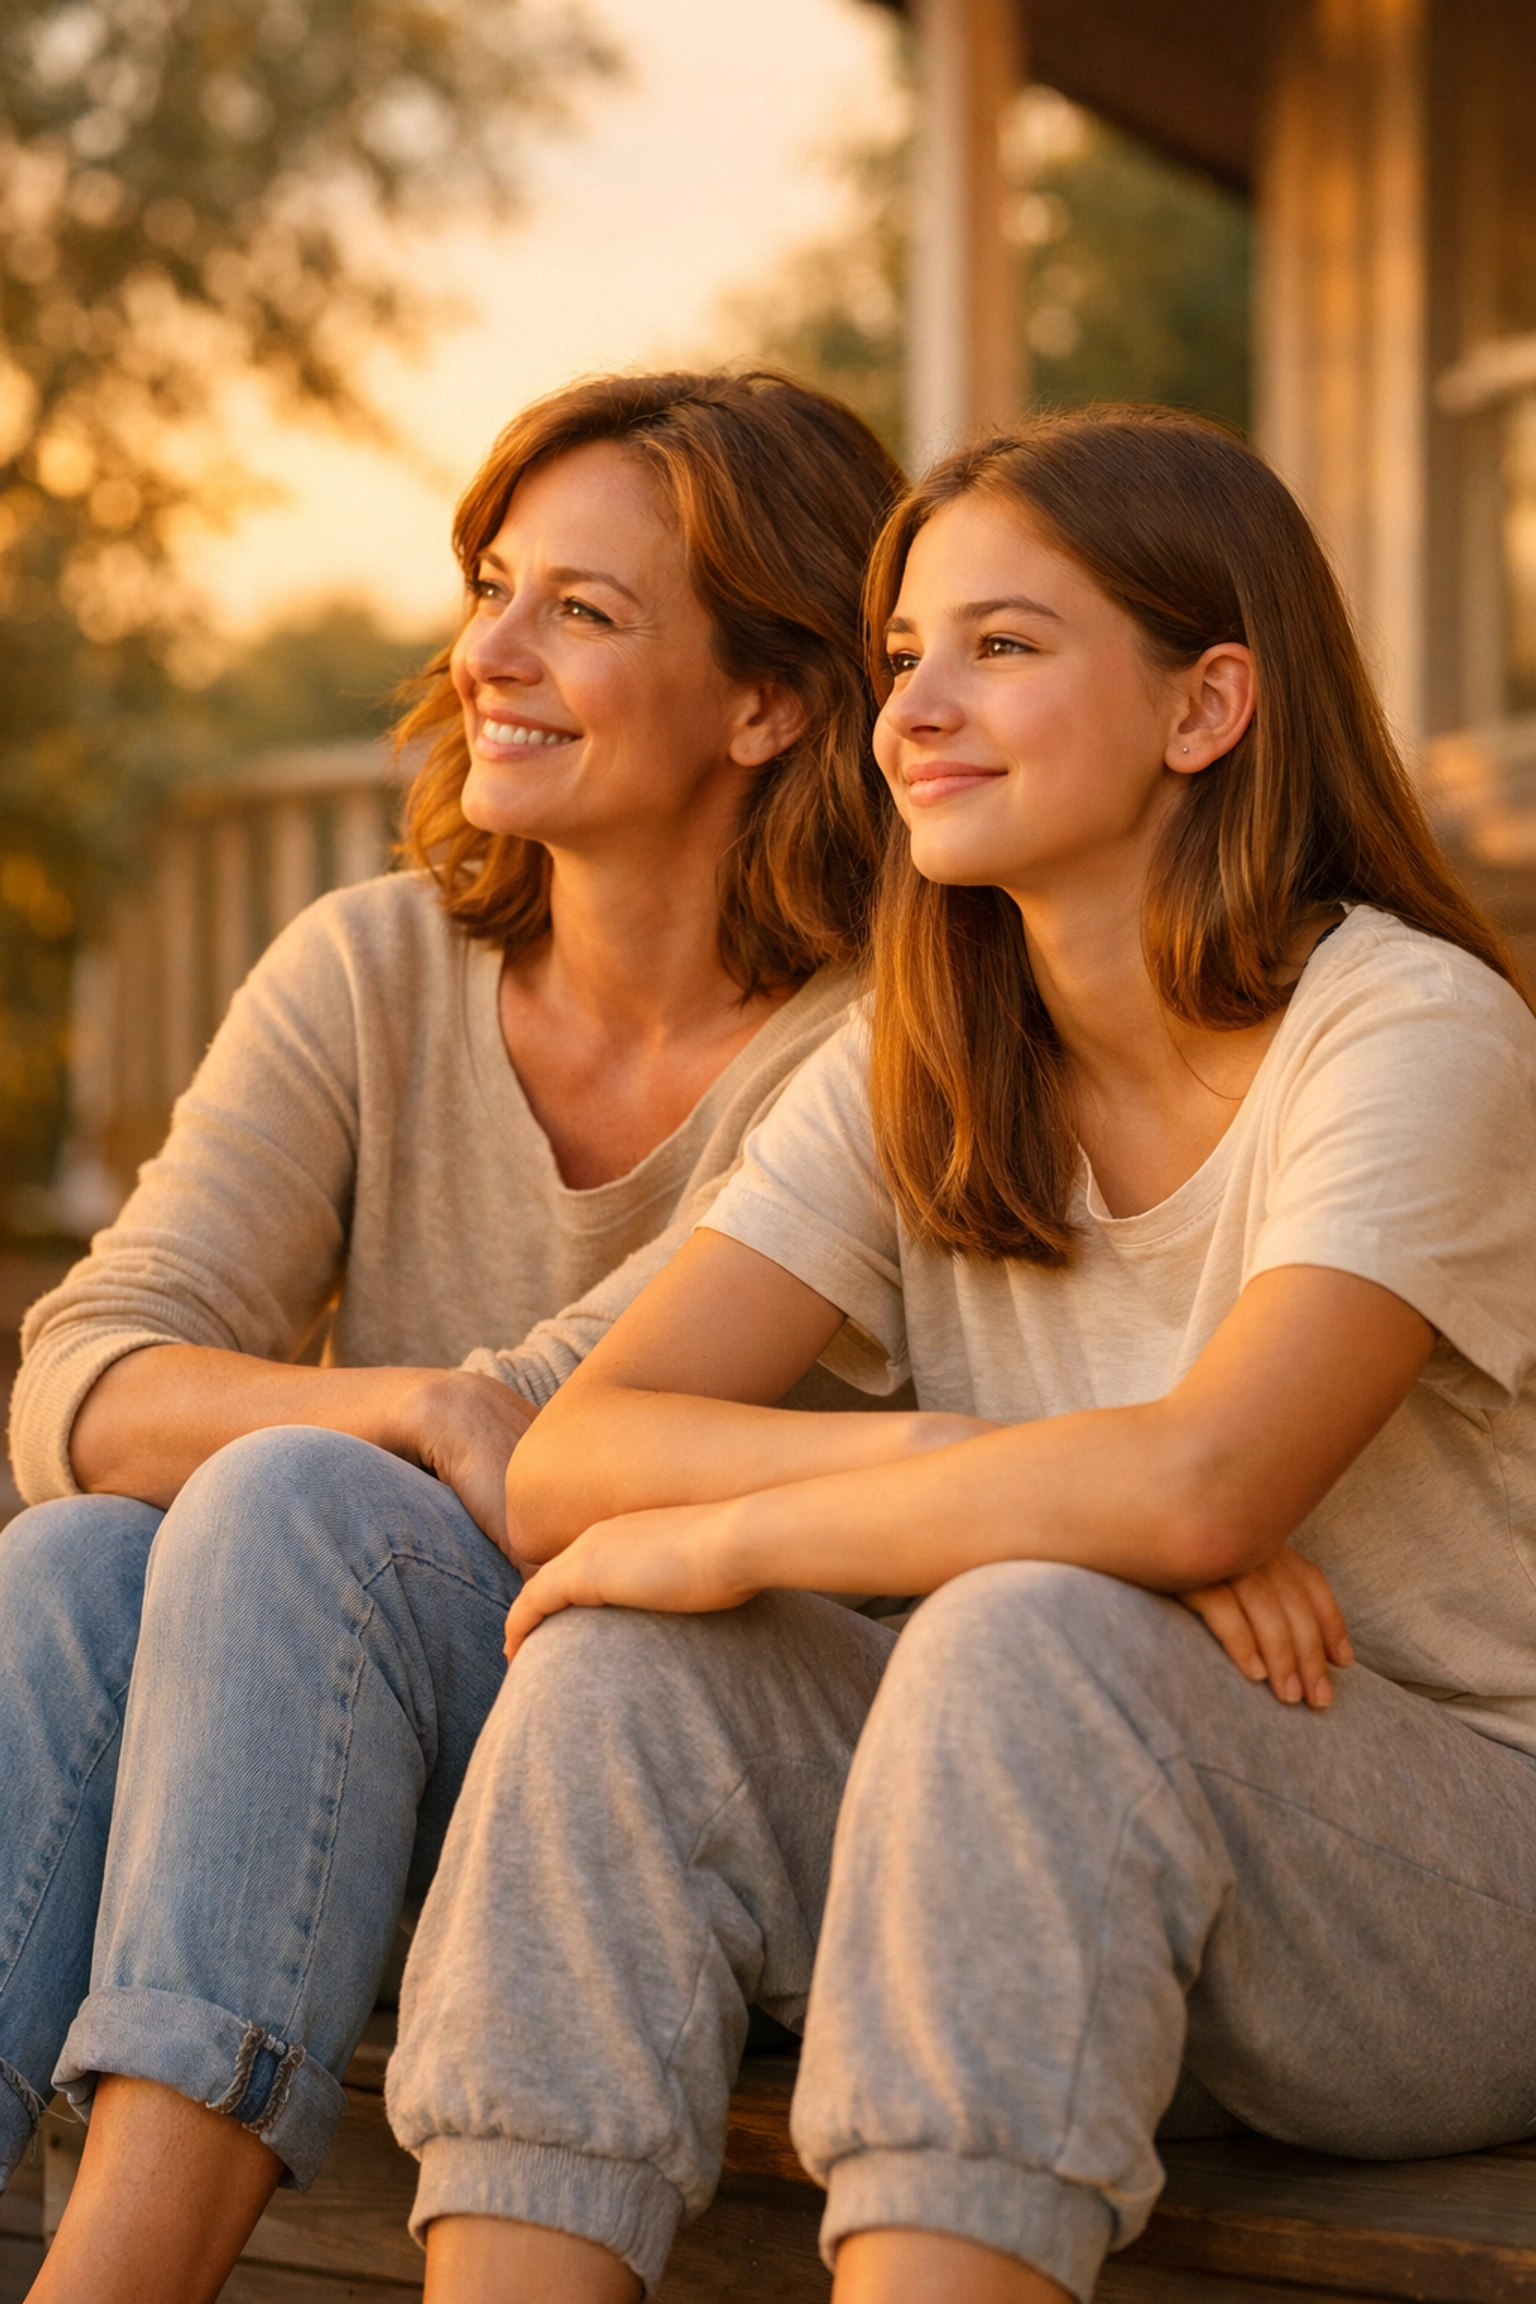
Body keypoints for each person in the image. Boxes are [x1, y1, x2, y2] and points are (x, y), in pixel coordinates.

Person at [386, 405, 1536, 2304]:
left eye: (1003, 646)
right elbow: (581, 1453)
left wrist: (766, 1526)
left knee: (1025, 1632)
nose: (913, 705)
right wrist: (944, 1484)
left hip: (1449, 1887)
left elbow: (1201, 1482)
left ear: (1207, 706)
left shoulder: (1410, 1032)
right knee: (618, 1668)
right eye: (906, 655)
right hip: (1052, 1807)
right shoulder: (922, 1050)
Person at [1, 367, 908, 2302]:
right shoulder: (369, 964)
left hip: (669, 1810)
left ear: (771, 700)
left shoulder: (889, 1044)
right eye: (493, 586)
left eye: (582, 609)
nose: (490, 649)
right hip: (316, 1786)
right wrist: (415, 1401)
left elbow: (566, 1417)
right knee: (78, 1560)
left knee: (289, 1504)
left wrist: (380, 1440)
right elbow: (79, 1382)